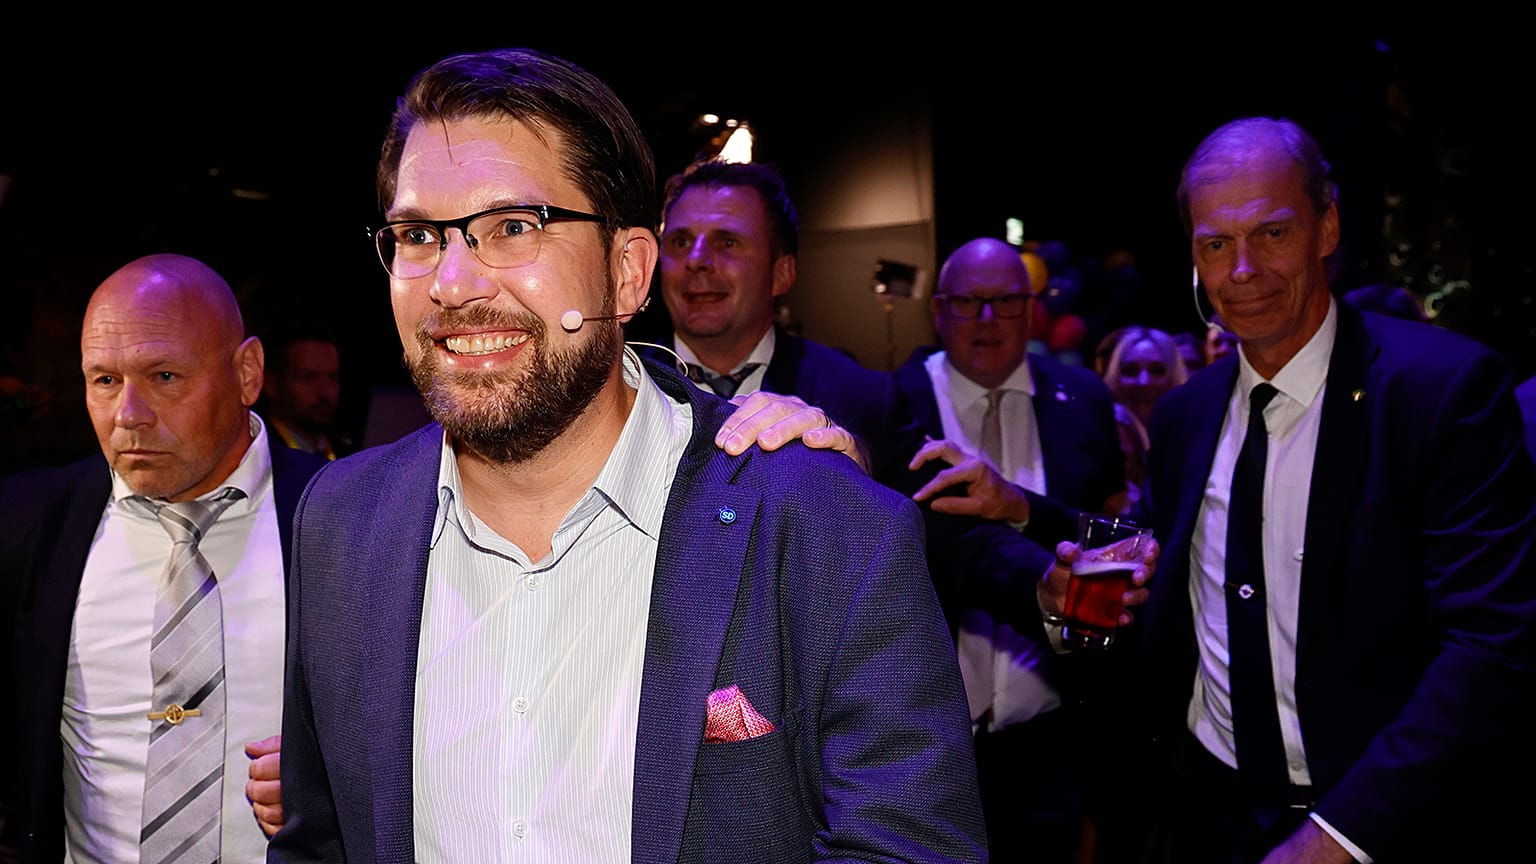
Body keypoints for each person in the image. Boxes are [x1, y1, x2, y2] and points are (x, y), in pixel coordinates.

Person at [266, 46, 984, 863]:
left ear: (627, 269)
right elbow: (317, 842)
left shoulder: (823, 523)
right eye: (418, 234)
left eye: (512, 227)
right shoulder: (339, 522)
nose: (453, 281)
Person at [1099, 116, 1536, 863]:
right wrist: (1024, 516)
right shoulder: (1183, 416)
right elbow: (1164, 573)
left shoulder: (1441, 391)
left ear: (1327, 227)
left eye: (1270, 233)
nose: (1242, 270)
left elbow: (1494, 642)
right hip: (1205, 814)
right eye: (1215, 244)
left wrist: (1340, 836)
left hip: (1380, 824)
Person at [0, 253, 327, 863]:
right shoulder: (28, 524)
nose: (129, 415)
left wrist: (338, 782)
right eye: (104, 380)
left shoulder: (343, 516)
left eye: (165, 377)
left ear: (247, 373)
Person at [888, 236, 1126, 862]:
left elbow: (1106, 538)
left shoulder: (1085, 402)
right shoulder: (893, 402)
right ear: (939, 310)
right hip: (925, 745)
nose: (987, 320)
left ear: (1032, 309)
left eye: (1006, 303)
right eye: (969, 302)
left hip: (1049, 740)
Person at [649, 158, 905, 468]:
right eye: (680, 241)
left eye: (727, 241)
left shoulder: (863, 398)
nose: (696, 259)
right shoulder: (623, 387)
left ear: (782, 273)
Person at [1100, 326, 1189, 514]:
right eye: (1130, 371)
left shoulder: (1189, 434)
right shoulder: (1108, 431)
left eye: (1156, 370)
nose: (1143, 382)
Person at [259, 327, 353, 460]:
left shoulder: (348, 452)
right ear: (271, 384)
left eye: (333, 377)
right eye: (308, 377)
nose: (326, 392)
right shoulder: (261, 457)